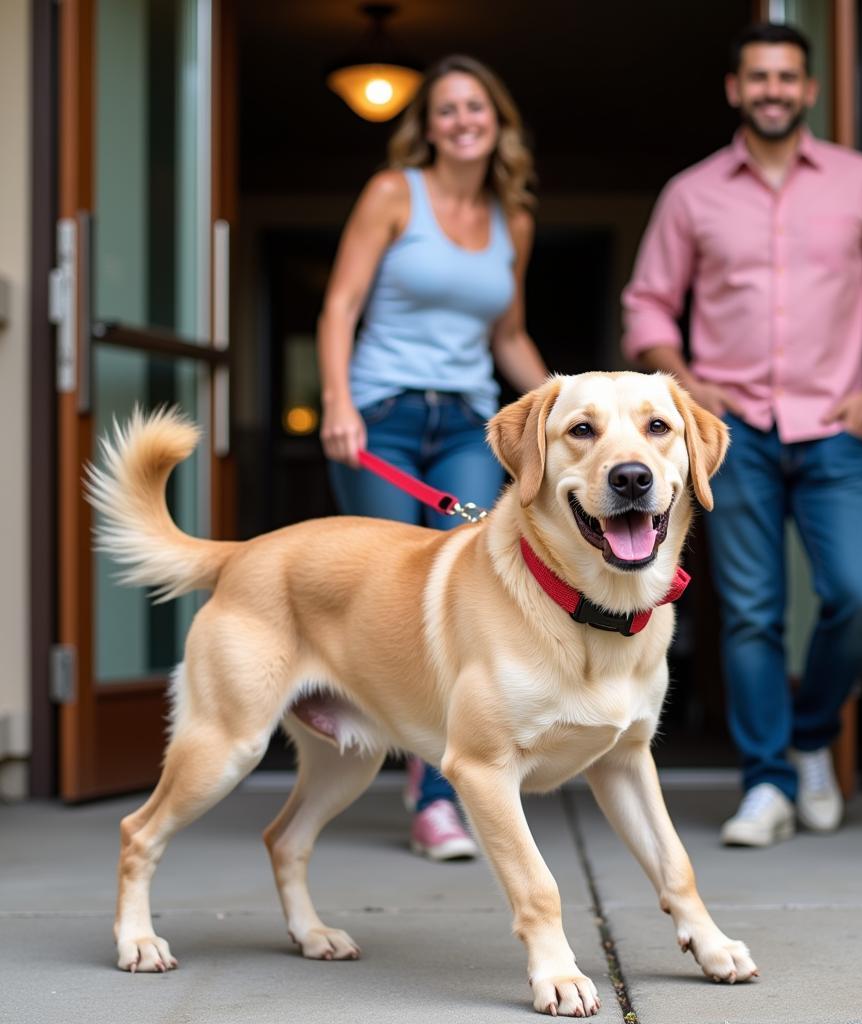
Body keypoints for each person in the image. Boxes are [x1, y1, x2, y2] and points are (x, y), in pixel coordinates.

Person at [621, 22, 862, 847]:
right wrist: (687, 384)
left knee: (859, 596)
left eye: (787, 77)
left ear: (809, 89)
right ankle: (766, 783)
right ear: (735, 89)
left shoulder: (861, 184)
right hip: (738, 436)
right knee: (754, 613)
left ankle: (810, 738)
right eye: (757, 77)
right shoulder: (692, 194)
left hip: (835, 427)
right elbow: (647, 304)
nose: (772, 90)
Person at [317, 55, 548, 861]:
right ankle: (414, 750)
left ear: (496, 121)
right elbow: (341, 305)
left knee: (469, 593)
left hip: (468, 425)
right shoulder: (392, 194)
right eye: (445, 109)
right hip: (379, 415)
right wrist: (337, 403)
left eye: (474, 107)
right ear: (429, 125)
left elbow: (508, 336)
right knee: (390, 594)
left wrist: (568, 408)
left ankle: (437, 794)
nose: (461, 120)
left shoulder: (509, 219)